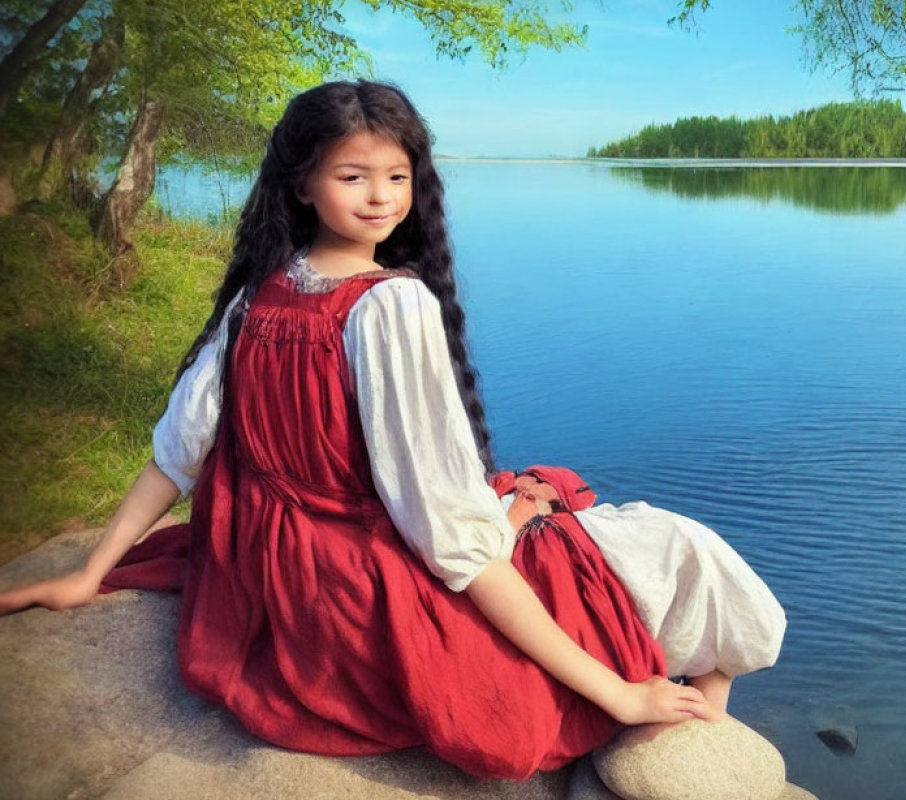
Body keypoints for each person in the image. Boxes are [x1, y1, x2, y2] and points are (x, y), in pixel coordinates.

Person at [0, 81, 721, 781]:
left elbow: (177, 454)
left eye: (397, 176)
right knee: (628, 539)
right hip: (349, 593)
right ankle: (696, 718)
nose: (381, 197)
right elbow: (446, 536)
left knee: (536, 500)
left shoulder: (259, 292)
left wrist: (92, 572)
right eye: (353, 175)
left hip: (266, 573)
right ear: (303, 184)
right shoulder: (389, 305)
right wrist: (618, 693)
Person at [495, 466, 786, 716]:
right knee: (687, 552)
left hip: (540, 530)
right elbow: (483, 561)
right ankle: (707, 727)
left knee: (686, 552)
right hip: (530, 542)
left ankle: (706, 731)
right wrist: (517, 516)